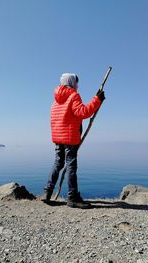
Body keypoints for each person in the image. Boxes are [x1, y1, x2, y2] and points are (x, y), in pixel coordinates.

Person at [41, 73, 105, 208]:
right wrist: (97, 100)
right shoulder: (73, 95)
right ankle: (73, 197)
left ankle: (46, 193)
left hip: (58, 137)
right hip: (70, 137)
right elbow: (83, 113)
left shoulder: (55, 101)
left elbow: (54, 120)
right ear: (71, 82)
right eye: (76, 81)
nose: (78, 85)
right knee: (71, 165)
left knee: (58, 162)